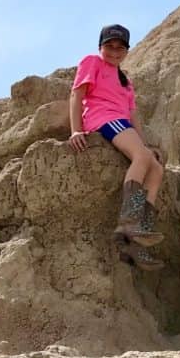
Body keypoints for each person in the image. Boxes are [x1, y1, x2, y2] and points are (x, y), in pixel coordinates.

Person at [69, 24, 165, 271]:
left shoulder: (126, 81)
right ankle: (129, 221)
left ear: (126, 51)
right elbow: (76, 96)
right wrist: (75, 130)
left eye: (119, 47)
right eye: (109, 46)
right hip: (102, 119)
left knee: (156, 170)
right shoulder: (92, 62)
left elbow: (133, 116)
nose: (114, 51)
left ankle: (134, 241)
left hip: (122, 123)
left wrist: (144, 144)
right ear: (100, 46)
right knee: (142, 158)